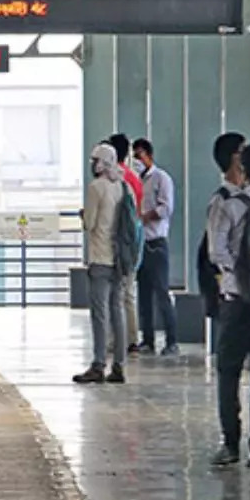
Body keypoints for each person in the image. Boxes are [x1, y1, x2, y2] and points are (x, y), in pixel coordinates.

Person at [206, 134, 250, 468]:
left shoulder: (226, 202)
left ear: (243, 170)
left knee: (229, 371)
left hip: (236, 300)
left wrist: (237, 274)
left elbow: (215, 251)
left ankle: (230, 443)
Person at [74, 143, 128, 385]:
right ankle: (119, 364)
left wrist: (82, 214)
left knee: (99, 313)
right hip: (119, 258)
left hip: (100, 257)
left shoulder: (96, 187)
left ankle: (98, 364)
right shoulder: (121, 186)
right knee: (118, 310)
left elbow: (90, 223)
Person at [131, 138, 179, 356]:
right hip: (141, 243)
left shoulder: (161, 178)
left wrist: (145, 216)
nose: (137, 161)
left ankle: (172, 341)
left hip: (157, 243)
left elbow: (166, 208)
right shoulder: (135, 181)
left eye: (140, 156)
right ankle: (147, 340)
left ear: (149, 155)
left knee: (162, 293)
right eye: (134, 156)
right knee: (144, 294)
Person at [108, 133, 144, 355]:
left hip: (123, 239)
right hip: (136, 235)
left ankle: (126, 339)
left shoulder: (119, 179)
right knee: (129, 291)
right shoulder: (133, 177)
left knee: (121, 293)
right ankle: (131, 337)